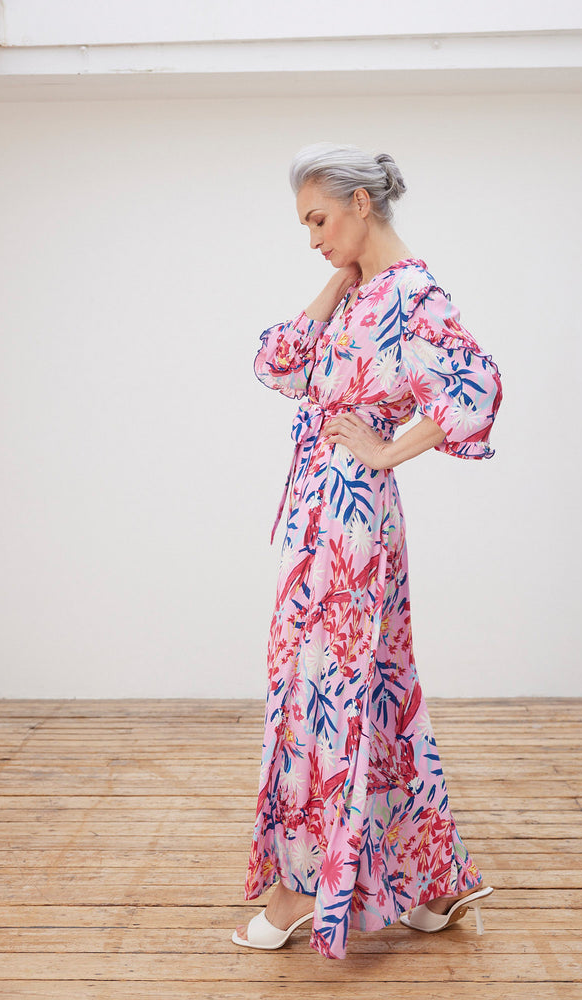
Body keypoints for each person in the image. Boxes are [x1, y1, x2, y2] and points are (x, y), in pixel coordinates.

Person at [232, 141, 503, 960]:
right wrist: (339, 277)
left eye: (318, 220)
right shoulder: (363, 292)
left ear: (360, 203)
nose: (311, 237)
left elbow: (474, 387)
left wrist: (385, 451)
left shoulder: (413, 293)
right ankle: (434, 882)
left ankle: (295, 891)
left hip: (350, 522)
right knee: (368, 689)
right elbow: (275, 364)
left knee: (324, 691)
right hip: (319, 514)